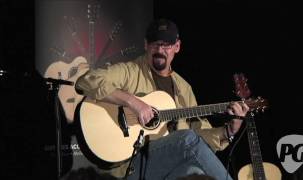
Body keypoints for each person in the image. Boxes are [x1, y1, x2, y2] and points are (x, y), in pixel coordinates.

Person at [75, 18, 249, 180]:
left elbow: (199, 139)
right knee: (186, 138)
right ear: (145, 44)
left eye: (166, 45)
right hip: (130, 164)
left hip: (167, 166)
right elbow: (86, 81)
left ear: (177, 46)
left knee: (195, 172)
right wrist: (133, 102)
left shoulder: (183, 88)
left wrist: (228, 132)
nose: (159, 50)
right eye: (155, 44)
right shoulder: (131, 71)